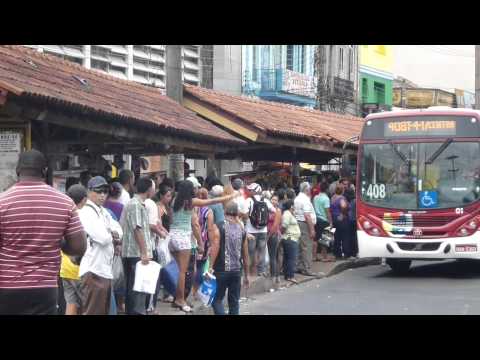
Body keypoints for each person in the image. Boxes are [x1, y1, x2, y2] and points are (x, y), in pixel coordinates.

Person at [0, 150, 86, 315]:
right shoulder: (64, 203)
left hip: (7, 288)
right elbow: (79, 247)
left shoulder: (2, 202)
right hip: (45, 288)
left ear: (17, 171)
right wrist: (57, 242)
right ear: (44, 171)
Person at [168, 180, 240, 313]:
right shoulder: (190, 202)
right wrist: (230, 196)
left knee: (180, 271)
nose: (195, 190)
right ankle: (180, 299)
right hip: (183, 237)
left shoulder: (174, 201)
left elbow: (171, 219)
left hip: (172, 236)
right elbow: (211, 202)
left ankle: (177, 298)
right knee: (183, 271)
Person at [78, 176, 123, 315]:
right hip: (93, 270)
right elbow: (103, 238)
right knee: (93, 311)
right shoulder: (86, 212)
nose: (102, 195)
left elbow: (120, 231)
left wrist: (111, 233)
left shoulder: (103, 211)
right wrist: (111, 234)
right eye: (98, 191)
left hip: (104, 270)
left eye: (105, 191)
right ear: (89, 192)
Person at [120, 177, 155, 315]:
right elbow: (137, 229)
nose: (154, 190)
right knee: (137, 288)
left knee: (138, 287)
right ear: (148, 190)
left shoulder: (139, 204)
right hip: (135, 253)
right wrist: (144, 252)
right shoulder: (135, 204)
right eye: (153, 187)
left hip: (137, 253)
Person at [210, 202, 250, 315]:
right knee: (234, 302)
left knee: (216, 300)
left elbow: (215, 246)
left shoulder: (218, 226)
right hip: (237, 271)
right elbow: (246, 255)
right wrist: (247, 275)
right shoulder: (241, 229)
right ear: (237, 213)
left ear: (224, 211)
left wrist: (210, 267)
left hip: (221, 270)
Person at [60, 184, 88, 315]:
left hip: (65, 268)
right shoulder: (83, 215)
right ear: (84, 200)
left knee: (71, 303)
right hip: (80, 269)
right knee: (86, 305)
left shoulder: (63, 213)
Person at [245, 183, 275, 277]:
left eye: (251, 190)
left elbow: (245, 213)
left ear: (255, 191)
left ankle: (250, 271)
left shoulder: (249, 200)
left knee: (251, 252)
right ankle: (261, 270)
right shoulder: (265, 200)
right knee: (261, 251)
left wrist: (247, 218)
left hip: (251, 230)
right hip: (263, 230)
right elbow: (273, 211)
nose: (249, 191)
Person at [294, 182, 317, 277]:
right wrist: (312, 229)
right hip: (305, 224)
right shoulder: (305, 200)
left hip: (299, 223)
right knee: (307, 247)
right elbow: (307, 215)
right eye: (309, 189)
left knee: (301, 246)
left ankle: (300, 266)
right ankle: (307, 268)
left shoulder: (297, 198)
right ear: (307, 190)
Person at [313, 182, 334, 262]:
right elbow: (327, 212)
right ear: (327, 189)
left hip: (316, 219)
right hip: (324, 220)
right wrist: (331, 222)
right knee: (325, 240)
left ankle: (314, 256)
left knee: (315, 239)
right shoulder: (326, 199)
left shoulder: (315, 197)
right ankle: (324, 257)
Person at [281, 200, 301, 284]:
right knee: (291, 258)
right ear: (291, 206)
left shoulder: (289, 213)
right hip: (290, 238)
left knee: (288, 257)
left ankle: (287, 275)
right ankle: (290, 276)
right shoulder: (287, 214)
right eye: (293, 205)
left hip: (291, 238)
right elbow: (284, 226)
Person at [331, 184, 353, 259]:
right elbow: (343, 206)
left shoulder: (333, 197)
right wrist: (343, 214)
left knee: (337, 237)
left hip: (335, 219)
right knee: (345, 237)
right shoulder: (342, 198)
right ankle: (346, 254)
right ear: (342, 190)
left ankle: (337, 254)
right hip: (342, 220)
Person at [267, 194, 282, 282]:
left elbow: (276, 225)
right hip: (269, 234)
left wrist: (269, 236)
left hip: (273, 234)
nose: (274, 201)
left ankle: (274, 276)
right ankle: (276, 276)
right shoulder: (268, 210)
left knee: (273, 256)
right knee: (274, 256)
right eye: (272, 199)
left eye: (276, 200)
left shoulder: (278, 211)